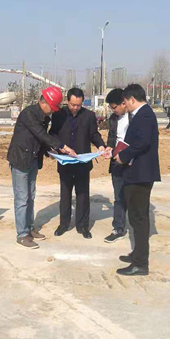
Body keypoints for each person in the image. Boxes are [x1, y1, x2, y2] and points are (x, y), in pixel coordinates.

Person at [7, 87, 76, 249]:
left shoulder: (44, 117)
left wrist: (50, 151)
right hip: (20, 160)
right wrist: (62, 146)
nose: (53, 111)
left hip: (32, 159)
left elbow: (40, 140)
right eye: (52, 107)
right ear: (44, 102)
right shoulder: (29, 114)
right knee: (22, 198)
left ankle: (29, 228)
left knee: (30, 196)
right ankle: (22, 234)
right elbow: (41, 134)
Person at [114, 84, 161, 276]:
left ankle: (141, 264)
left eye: (125, 102)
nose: (124, 105)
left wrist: (123, 156)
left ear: (132, 100)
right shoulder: (142, 115)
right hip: (136, 172)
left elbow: (142, 142)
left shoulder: (145, 115)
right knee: (135, 217)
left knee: (139, 218)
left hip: (141, 175)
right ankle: (137, 254)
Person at [49, 88, 106, 239]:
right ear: (67, 101)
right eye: (73, 104)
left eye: (78, 105)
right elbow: (52, 133)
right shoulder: (58, 115)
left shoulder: (89, 116)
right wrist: (57, 147)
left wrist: (101, 145)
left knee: (83, 195)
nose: (75, 108)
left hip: (82, 162)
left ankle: (83, 226)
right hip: (65, 161)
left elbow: (94, 134)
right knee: (65, 194)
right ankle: (64, 224)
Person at [104, 88, 130, 243]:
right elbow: (112, 136)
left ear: (123, 103)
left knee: (134, 197)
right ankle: (118, 228)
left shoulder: (135, 117)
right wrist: (109, 147)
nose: (113, 110)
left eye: (114, 107)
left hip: (133, 162)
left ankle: (138, 227)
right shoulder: (113, 118)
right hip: (117, 162)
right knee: (119, 197)